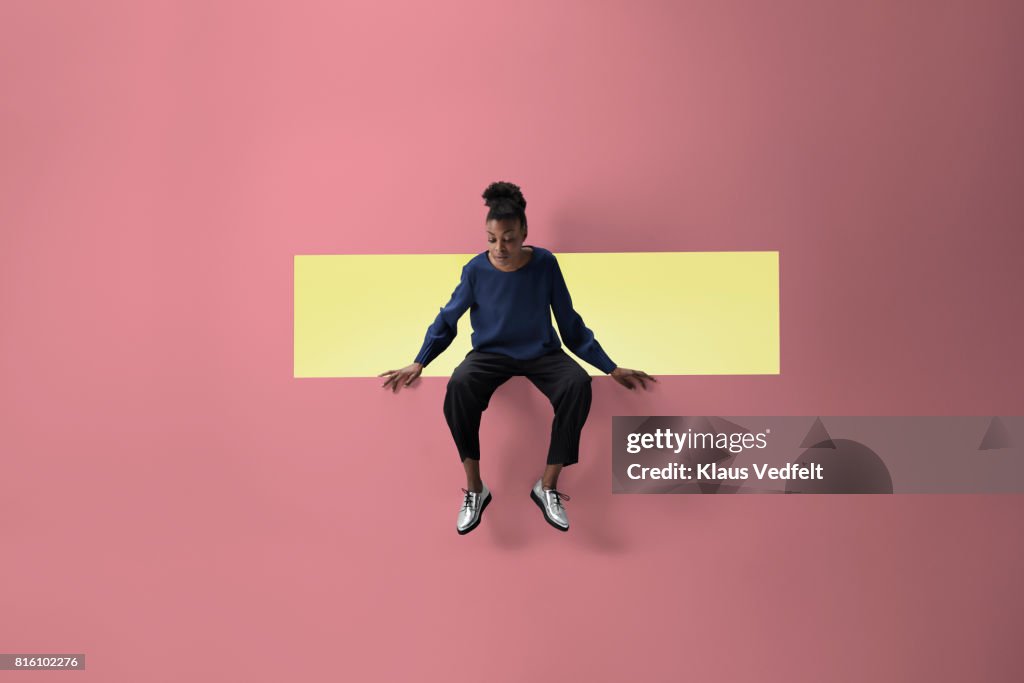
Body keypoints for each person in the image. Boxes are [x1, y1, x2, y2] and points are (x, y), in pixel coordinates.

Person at [379, 181, 655, 535]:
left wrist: (609, 366)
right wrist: (420, 360)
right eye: (492, 239)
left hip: (541, 353)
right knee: (459, 387)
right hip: (490, 354)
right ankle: (476, 490)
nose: (500, 247)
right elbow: (447, 319)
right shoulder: (475, 271)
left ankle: (548, 485)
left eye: (508, 238)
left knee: (577, 384)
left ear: (524, 232)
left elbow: (569, 323)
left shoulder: (545, 264)